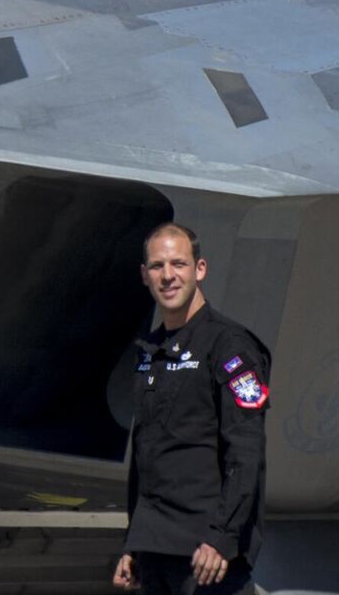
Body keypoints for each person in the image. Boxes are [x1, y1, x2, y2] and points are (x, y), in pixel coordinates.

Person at [111, 223, 268, 595]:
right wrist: (135, 543)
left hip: (206, 555)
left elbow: (245, 454)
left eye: (178, 264)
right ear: (144, 275)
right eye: (157, 266)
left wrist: (221, 538)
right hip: (155, 549)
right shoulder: (151, 350)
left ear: (200, 269)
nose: (168, 276)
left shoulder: (229, 346)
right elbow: (149, 455)